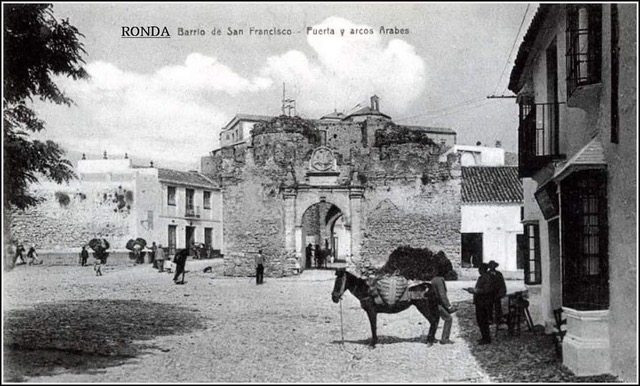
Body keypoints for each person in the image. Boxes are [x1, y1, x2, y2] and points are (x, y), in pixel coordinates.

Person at [464, 263, 496, 345]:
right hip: (481, 302)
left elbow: (486, 290)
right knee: (481, 320)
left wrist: (475, 290)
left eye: (479, 269)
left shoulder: (486, 278)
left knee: (482, 320)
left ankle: (486, 338)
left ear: (482, 270)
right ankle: (485, 337)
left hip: (483, 302)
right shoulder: (484, 277)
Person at [431, 265, 458, 345]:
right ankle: (445, 339)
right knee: (448, 318)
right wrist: (449, 307)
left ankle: (431, 338)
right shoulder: (439, 280)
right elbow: (442, 295)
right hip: (438, 304)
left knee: (435, 319)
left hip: (433, 303)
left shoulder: (434, 279)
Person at [488, 260, 507, 326]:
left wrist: (503, 291)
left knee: (498, 306)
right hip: (489, 293)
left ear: (495, 267)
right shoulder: (487, 274)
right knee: (489, 306)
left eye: (493, 266)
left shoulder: (499, 274)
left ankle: (499, 318)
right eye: (491, 266)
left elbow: (502, 283)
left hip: (497, 293)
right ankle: (490, 319)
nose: (492, 267)